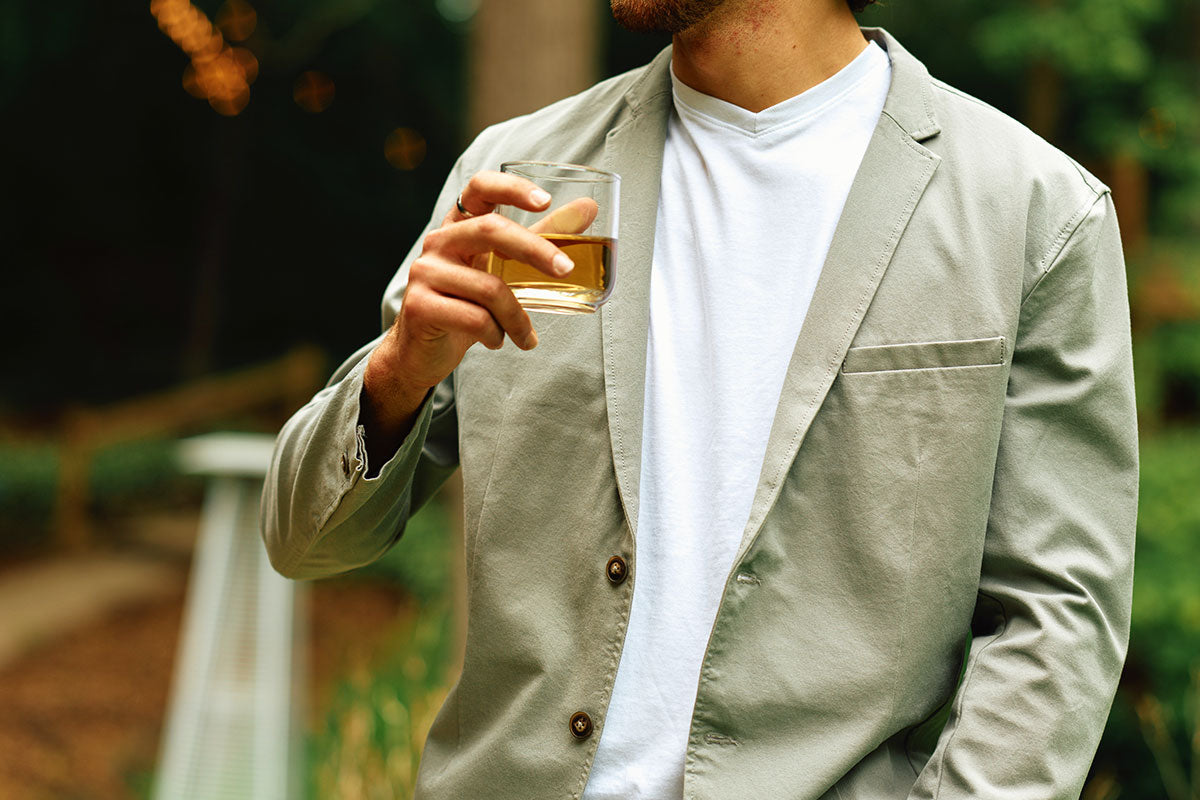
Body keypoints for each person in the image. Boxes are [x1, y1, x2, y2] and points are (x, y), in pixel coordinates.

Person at [262, 0, 1138, 797]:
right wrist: (399, 371)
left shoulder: (1033, 213)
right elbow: (304, 540)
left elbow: (1058, 617)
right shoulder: (522, 180)